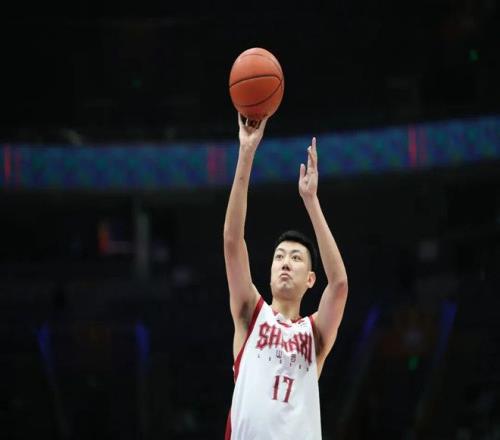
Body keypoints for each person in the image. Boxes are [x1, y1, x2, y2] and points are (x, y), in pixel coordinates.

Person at [223, 114, 349, 439]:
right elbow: (233, 242)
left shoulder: (315, 335)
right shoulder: (250, 314)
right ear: (269, 273)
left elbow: (339, 285)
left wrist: (312, 202)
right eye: (279, 257)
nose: (285, 263)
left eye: (296, 258)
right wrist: (246, 153)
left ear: (310, 279)